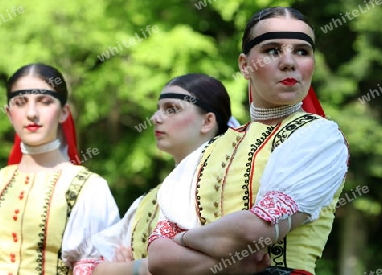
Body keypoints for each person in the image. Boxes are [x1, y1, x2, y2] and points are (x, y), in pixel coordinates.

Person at [147, 7, 350, 275]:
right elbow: (158, 259)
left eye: (302, 51)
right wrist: (231, 264)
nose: (289, 62)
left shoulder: (320, 137)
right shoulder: (204, 153)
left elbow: (254, 232)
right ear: (245, 65)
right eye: (272, 50)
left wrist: (184, 240)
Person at [0, 63, 120, 274]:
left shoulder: (88, 189)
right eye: (20, 102)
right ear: (9, 113)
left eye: (44, 102)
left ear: (64, 112)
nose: (31, 113)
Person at [88, 73, 268, 274]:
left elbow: (244, 259)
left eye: (171, 109)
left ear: (207, 121)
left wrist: (128, 268)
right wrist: (140, 268)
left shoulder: (235, 181)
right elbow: (87, 267)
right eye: (158, 110)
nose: (155, 118)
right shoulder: (147, 201)